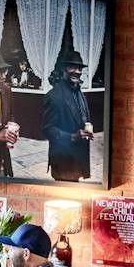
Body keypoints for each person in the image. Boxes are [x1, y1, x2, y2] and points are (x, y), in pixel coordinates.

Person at [42, 46, 93, 182]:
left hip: (78, 158)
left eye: (80, 68)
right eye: (73, 67)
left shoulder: (79, 92)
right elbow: (47, 130)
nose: (77, 71)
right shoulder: (53, 96)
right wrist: (72, 136)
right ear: (64, 69)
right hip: (63, 160)